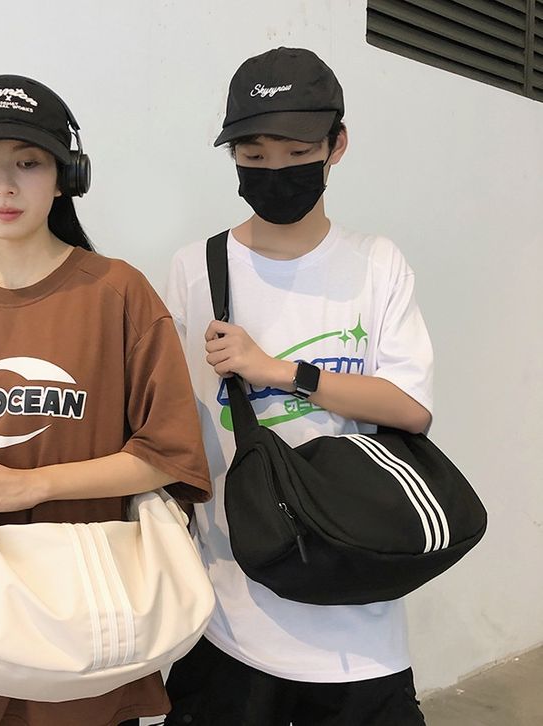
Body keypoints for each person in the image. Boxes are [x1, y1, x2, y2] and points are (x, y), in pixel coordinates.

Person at [0, 74, 211, 726]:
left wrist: (31, 486)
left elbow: (169, 457)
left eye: (28, 163)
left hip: (82, 630)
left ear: (64, 176)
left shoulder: (118, 295)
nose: (4, 185)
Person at [162, 48, 432, 725]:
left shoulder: (376, 264)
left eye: (297, 151)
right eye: (253, 155)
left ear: (337, 146)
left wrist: (279, 371)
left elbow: (410, 409)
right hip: (227, 613)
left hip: (358, 618)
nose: (275, 170)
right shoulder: (197, 268)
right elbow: (172, 424)